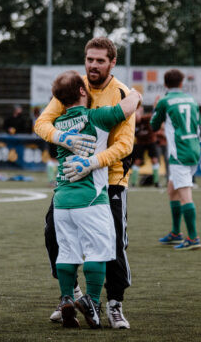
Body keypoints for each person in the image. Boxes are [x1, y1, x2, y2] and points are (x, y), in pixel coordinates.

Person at [34, 37, 136, 329]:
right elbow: (42, 123)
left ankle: (114, 305)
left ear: (112, 63)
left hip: (109, 181)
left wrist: (92, 161)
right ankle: (73, 296)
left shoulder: (121, 93)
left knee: (114, 244)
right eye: (89, 59)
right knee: (52, 234)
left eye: (100, 60)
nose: (92, 65)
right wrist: (62, 137)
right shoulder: (74, 85)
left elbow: (125, 145)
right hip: (70, 182)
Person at [150, 69, 201, 250]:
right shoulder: (192, 100)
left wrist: (156, 107)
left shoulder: (165, 101)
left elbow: (154, 126)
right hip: (194, 149)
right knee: (172, 190)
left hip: (179, 153)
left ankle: (193, 238)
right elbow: (198, 125)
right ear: (182, 84)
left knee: (185, 195)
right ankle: (175, 233)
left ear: (165, 84)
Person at [130, 106, 161, 187]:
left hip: (151, 141)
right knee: (137, 161)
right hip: (140, 143)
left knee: (154, 160)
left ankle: (156, 182)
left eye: (138, 115)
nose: (137, 118)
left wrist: (155, 106)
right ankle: (133, 183)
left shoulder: (147, 118)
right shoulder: (131, 122)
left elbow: (154, 115)